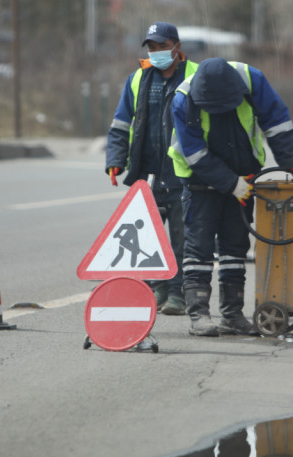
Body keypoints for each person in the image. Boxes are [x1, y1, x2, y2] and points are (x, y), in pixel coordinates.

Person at [168, 57, 293, 336]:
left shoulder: (252, 80)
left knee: (235, 246)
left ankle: (232, 315)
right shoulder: (184, 99)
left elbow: (277, 122)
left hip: (244, 176)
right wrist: (231, 184)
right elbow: (194, 152)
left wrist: (290, 161)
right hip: (200, 182)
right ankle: (198, 315)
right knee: (199, 248)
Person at [105, 22, 198, 315]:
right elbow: (121, 123)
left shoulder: (196, 75)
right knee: (147, 238)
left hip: (184, 174)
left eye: (162, 46)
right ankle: (157, 288)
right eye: (152, 47)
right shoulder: (138, 79)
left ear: (177, 47)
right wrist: (115, 159)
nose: (156, 52)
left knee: (182, 239)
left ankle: (178, 293)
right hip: (147, 174)